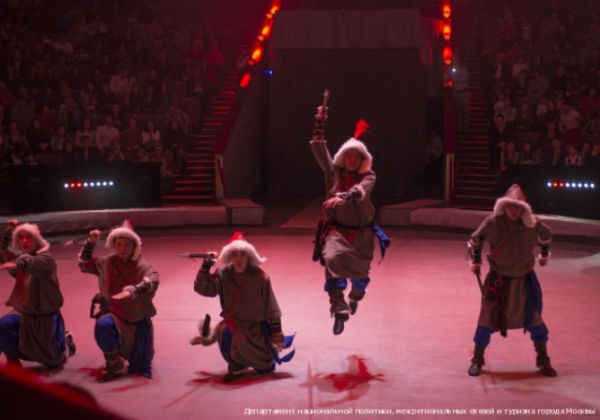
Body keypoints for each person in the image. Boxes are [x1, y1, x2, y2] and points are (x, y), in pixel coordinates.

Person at [309, 99, 389, 335]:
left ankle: (355, 295)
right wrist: (320, 120)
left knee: (361, 278)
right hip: (337, 231)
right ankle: (338, 305)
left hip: (361, 236)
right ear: (343, 158)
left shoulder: (369, 176)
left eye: (356, 156)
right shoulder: (333, 172)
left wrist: (343, 197)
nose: (352, 160)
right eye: (349, 156)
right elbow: (319, 147)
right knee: (332, 259)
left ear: (362, 160)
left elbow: (361, 191)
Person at [467, 184, 556, 377]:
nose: (513, 210)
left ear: (523, 208)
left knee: (536, 322)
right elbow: (476, 239)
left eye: (518, 207)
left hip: (524, 283)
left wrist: (544, 254)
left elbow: (546, 235)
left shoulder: (532, 224)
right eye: (510, 206)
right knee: (486, 321)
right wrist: (475, 260)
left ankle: (543, 359)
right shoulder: (492, 222)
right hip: (498, 282)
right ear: (504, 206)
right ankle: (477, 359)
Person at [193, 232, 294, 382]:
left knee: (266, 367)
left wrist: (277, 333)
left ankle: (263, 360)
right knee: (225, 332)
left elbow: (271, 306)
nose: (238, 259)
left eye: (242, 255)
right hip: (235, 327)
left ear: (249, 256)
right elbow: (204, 289)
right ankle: (237, 364)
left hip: (256, 329)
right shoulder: (222, 275)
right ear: (229, 257)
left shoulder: (260, 277)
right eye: (234, 255)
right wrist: (205, 266)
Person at [78, 220, 159, 382]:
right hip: (113, 313)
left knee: (139, 364)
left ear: (134, 246)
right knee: (104, 325)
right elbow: (86, 265)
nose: (122, 249)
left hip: (135, 318)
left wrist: (134, 290)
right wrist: (91, 242)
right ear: (113, 244)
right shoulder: (107, 262)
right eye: (119, 244)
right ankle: (114, 364)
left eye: (127, 245)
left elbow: (153, 279)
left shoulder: (142, 266)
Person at [0, 220, 75, 368]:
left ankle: (65, 340)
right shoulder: (20, 261)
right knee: (4, 325)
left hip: (45, 316)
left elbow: (29, 263)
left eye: (29, 237)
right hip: (24, 312)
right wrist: (8, 233)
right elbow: (5, 255)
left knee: (54, 362)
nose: (25, 241)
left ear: (37, 240)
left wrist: (17, 263)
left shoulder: (46, 260)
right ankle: (13, 361)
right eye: (21, 238)